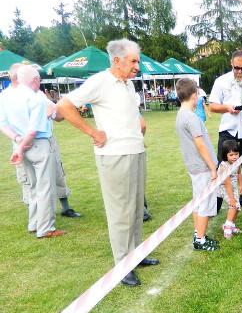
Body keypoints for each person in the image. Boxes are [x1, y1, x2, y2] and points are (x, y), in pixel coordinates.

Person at [57, 38, 159, 287]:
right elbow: (64, 105)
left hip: (136, 151)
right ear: (116, 60)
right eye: (133, 61)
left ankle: (136, 255)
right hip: (114, 156)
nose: (137, 67)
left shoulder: (128, 84)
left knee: (136, 209)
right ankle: (123, 265)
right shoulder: (100, 81)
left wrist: (138, 127)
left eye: (137, 61)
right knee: (121, 212)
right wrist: (93, 132)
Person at [0, 63, 81, 219]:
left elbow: (57, 115)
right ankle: (39, 219)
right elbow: (7, 123)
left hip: (43, 140)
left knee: (56, 174)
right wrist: (19, 139)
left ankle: (62, 209)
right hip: (27, 142)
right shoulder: (5, 97)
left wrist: (59, 109)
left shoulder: (37, 94)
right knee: (30, 181)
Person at [2, 66, 64, 238]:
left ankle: (34, 223)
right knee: (46, 187)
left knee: (34, 187)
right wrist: (22, 146)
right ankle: (46, 228)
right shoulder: (36, 98)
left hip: (20, 143)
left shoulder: (5, 96)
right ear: (35, 80)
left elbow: (2, 124)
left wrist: (18, 142)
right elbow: (33, 130)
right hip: (38, 144)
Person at [209, 49, 242, 215]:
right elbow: (212, 106)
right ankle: (216, 203)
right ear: (231, 63)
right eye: (236, 68)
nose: (240, 72)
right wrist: (226, 108)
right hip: (228, 129)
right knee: (222, 166)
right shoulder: (221, 81)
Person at [174, 78, 219, 251]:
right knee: (205, 203)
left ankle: (198, 234)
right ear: (194, 95)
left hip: (194, 167)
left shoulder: (181, 115)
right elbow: (200, 145)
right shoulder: (191, 118)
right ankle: (200, 240)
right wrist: (212, 167)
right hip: (202, 168)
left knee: (198, 202)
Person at [217, 139, 242, 239]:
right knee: (233, 205)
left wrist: (241, 185)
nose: (234, 157)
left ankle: (231, 225)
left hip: (234, 186)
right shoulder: (224, 166)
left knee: (237, 207)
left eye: (236, 154)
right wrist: (232, 199)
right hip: (224, 187)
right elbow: (227, 184)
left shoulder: (238, 162)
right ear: (225, 155)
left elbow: (239, 173)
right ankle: (227, 227)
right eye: (231, 155)